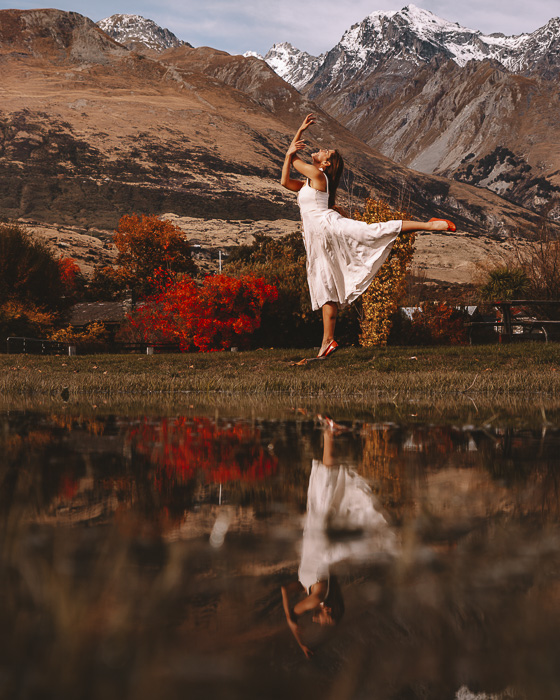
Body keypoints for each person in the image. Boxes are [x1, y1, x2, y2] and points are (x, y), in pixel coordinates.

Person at [280, 114, 456, 358]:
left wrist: (296, 138)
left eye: (325, 152)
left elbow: (295, 159)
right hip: (316, 237)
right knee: (324, 285)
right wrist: (293, 142)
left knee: (375, 231)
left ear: (326, 164)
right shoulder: (308, 183)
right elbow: (284, 181)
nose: (320, 150)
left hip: (328, 227)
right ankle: (327, 342)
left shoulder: (319, 176)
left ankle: (429, 225)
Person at [281, 418, 397, 658]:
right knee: (326, 485)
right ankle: (329, 431)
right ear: (330, 611)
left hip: (314, 531)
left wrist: (298, 637)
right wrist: (294, 628)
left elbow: (284, 589)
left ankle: (329, 431)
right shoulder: (318, 596)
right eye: (325, 621)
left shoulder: (311, 589)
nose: (320, 623)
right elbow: (293, 611)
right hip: (318, 531)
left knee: (327, 483)